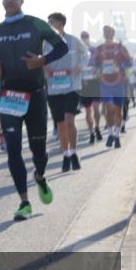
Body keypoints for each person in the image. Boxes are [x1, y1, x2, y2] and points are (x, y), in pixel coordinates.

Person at [0, 0, 68, 221]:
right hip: (9, 96)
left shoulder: (36, 24)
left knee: (38, 150)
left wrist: (43, 60)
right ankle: (24, 202)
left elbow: (62, 46)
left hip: (36, 95)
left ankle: (40, 176)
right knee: (13, 148)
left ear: (21, 1)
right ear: (2, 3)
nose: (10, 1)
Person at [43, 13, 89, 171]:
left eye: (52, 22)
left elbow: (86, 54)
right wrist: (45, 67)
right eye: (48, 23)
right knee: (61, 124)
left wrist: (80, 67)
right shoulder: (45, 43)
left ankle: (74, 153)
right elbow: (38, 58)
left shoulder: (73, 40)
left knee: (69, 121)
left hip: (72, 87)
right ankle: (66, 154)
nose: (49, 25)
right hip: (54, 89)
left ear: (61, 23)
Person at [92, 25, 131, 149]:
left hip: (119, 84)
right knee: (109, 109)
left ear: (113, 33)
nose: (107, 33)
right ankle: (110, 134)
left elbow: (129, 63)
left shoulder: (120, 47)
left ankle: (117, 136)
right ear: (103, 34)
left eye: (109, 31)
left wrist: (119, 67)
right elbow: (95, 65)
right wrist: (98, 69)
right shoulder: (99, 48)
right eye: (105, 31)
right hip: (105, 84)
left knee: (118, 111)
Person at [79, 31, 104, 144]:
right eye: (83, 37)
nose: (85, 39)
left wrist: (98, 70)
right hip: (84, 84)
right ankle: (91, 132)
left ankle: (97, 127)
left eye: (86, 37)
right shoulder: (77, 52)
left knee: (96, 109)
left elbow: (102, 65)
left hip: (95, 82)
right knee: (88, 112)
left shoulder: (95, 50)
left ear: (89, 38)